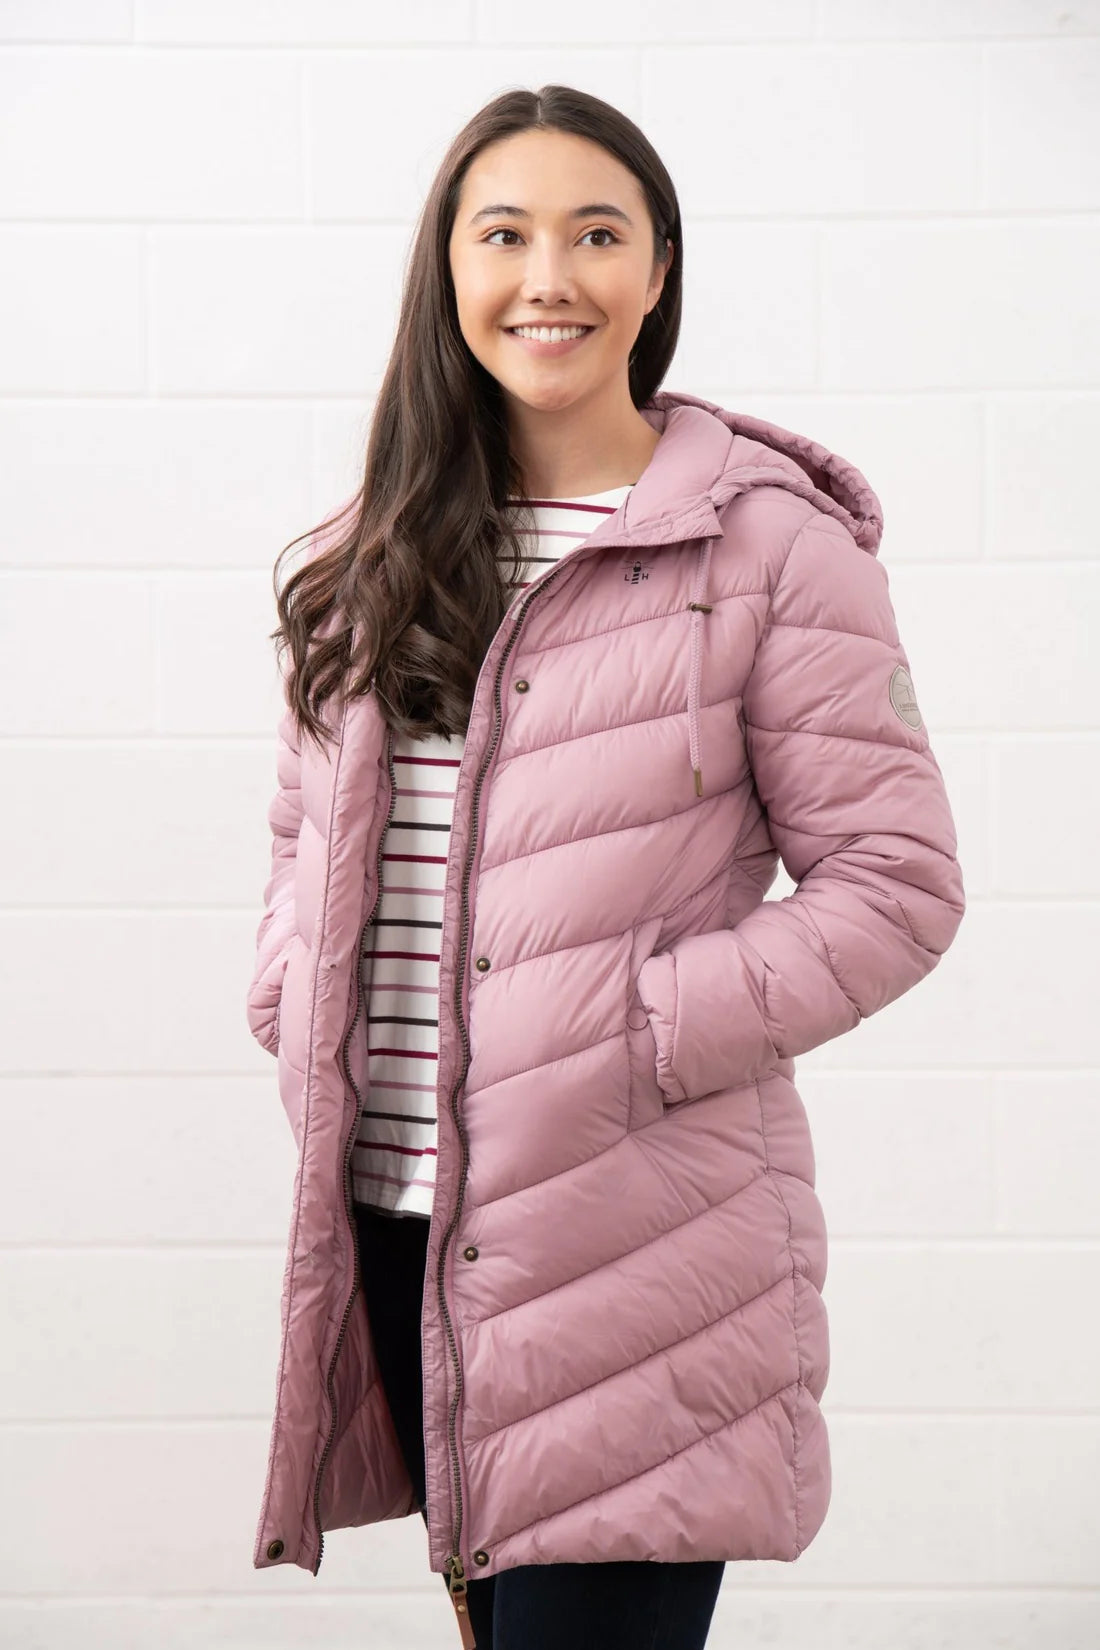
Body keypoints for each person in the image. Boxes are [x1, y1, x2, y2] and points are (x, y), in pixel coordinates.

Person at [245, 85, 966, 1650]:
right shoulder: (363, 555)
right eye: (502, 234)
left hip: (640, 1249)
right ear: (449, 271)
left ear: (656, 272)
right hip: (405, 1230)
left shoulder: (766, 549)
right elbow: (307, 846)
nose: (546, 275)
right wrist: (295, 1002)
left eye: (595, 233)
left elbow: (897, 882)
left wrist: (644, 1029)